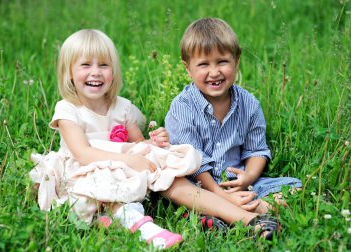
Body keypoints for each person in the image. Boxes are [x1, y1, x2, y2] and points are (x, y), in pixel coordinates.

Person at [29, 29, 203, 249]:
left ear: (113, 70)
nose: (96, 72)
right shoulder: (68, 109)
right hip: (83, 169)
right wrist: (128, 160)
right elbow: (83, 154)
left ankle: (113, 215)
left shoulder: (122, 107)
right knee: (97, 183)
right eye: (85, 65)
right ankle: (139, 224)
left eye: (103, 65)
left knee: (160, 157)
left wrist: (154, 142)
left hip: (120, 169)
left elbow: (139, 145)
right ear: (69, 72)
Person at [165, 17, 302, 215]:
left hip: (238, 184)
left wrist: (249, 177)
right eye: (203, 64)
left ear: (236, 61)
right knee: (177, 189)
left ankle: (243, 208)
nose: (214, 72)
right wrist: (218, 192)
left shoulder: (249, 104)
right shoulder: (182, 107)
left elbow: (257, 149)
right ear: (188, 69)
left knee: (295, 188)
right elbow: (192, 159)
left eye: (222, 62)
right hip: (199, 185)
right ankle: (230, 209)